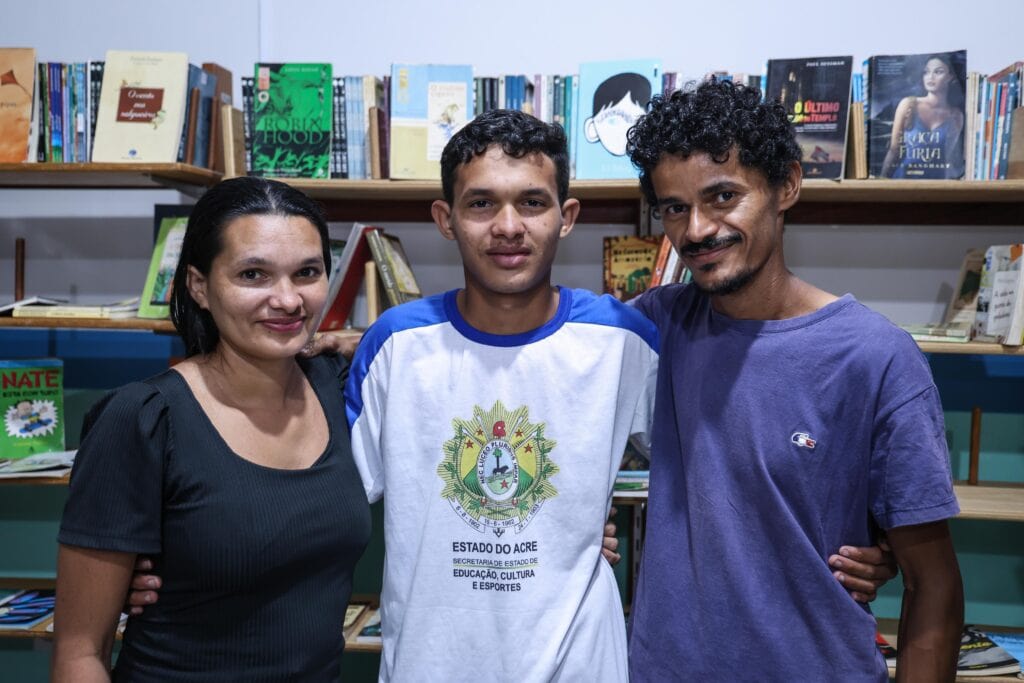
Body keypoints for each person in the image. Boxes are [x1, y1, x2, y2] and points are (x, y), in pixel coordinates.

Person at [124, 110, 896, 681]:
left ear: (568, 218)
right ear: (444, 219)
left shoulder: (633, 338)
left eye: (531, 202)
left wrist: (879, 543)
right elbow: (309, 502)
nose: (507, 227)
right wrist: (168, 561)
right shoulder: (393, 346)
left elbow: (748, 453)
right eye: (481, 202)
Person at [624, 78, 964, 681]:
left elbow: (931, 582)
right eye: (675, 207)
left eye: (723, 196)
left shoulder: (878, 357)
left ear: (786, 185)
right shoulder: (653, 328)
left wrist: (880, 549)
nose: (697, 230)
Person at [51, 176, 371, 682]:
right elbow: (79, 654)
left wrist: (362, 338)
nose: (287, 300)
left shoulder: (342, 387)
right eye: (253, 275)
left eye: (307, 272)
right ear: (199, 286)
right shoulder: (143, 418)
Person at [880, 53, 965, 179]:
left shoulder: (956, 115)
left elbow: (948, 156)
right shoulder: (908, 104)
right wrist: (882, 181)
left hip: (936, 184)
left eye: (938, 72)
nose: (930, 77)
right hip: (903, 180)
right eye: (926, 72)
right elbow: (894, 150)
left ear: (950, 77)